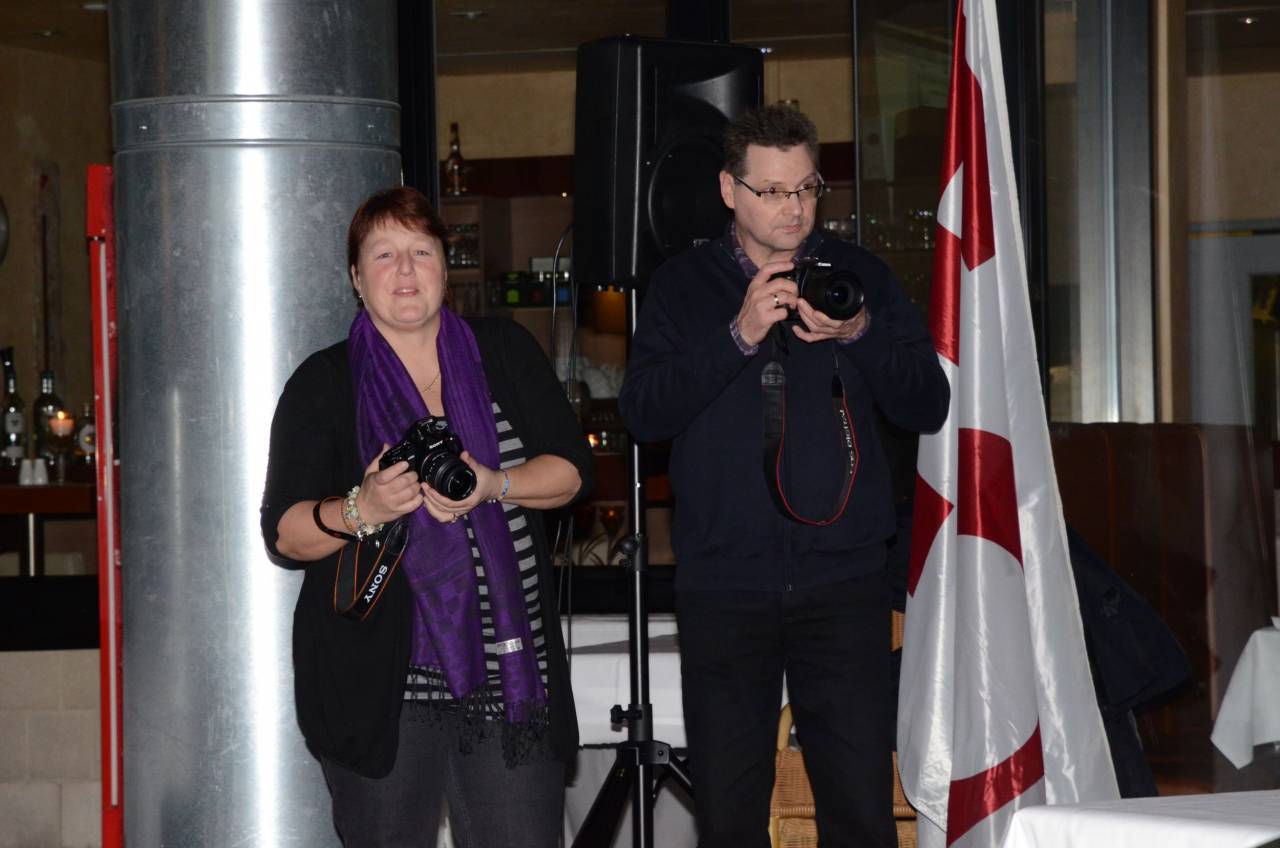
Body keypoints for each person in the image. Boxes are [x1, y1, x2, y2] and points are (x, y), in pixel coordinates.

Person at [618, 104, 949, 847]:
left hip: (844, 583)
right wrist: (737, 336)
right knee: (730, 814)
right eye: (771, 191)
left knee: (861, 809)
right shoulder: (681, 286)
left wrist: (859, 333)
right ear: (729, 190)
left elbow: (928, 403)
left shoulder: (859, 276)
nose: (793, 208)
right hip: (724, 586)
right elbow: (643, 414)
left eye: (806, 188)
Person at [260, 186, 592, 847]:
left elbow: (573, 473)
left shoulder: (504, 351)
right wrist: (364, 507)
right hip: (382, 694)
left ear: (445, 265)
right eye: (384, 255)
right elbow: (285, 534)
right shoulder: (325, 382)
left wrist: (494, 484)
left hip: (510, 682)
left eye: (421, 251)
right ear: (357, 278)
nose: (405, 270)